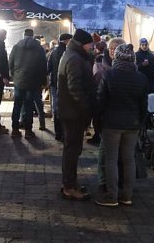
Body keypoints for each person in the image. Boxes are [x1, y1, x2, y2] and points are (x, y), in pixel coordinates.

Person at [94, 44, 147, 207]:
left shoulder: (109, 75)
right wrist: (140, 123)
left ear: (116, 57)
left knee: (111, 159)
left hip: (111, 124)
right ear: (133, 59)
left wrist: (97, 121)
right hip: (132, 124)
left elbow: (100, 100)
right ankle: (127, 195)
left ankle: (112, 196)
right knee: (129, 159)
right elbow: (143, 105)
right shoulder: (141, 78)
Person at [58, 29, 95, 201]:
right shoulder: (74, 58)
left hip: (70, 110)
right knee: (72, 150)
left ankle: (70, 183)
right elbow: (75, 88)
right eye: (90, 44)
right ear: (82, 44)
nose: (91, 47)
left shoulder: (72, 55)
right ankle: (69, 187)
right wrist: (86, 107)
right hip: (73, 112)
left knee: (72, 149)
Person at [9, 28, 48, 139]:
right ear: (33, 35)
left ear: (23, 35)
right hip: (33, 81)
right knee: (29, 106)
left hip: (19, 81)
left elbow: (10, 62)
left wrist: (14, 76)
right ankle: (28, 131)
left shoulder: (16, 47)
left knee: (17, 105)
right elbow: (43, 65)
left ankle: (15, 130)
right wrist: (43, 81)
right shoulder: (39, 48)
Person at [48, 33, 72, 141]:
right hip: (63, 84)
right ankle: (63, 133)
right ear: (66, 41)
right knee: (64, 108)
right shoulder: (67, 52)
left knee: (56, 107)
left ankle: (58, 133)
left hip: (54, 82)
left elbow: (48, 67)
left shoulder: (53, 51)